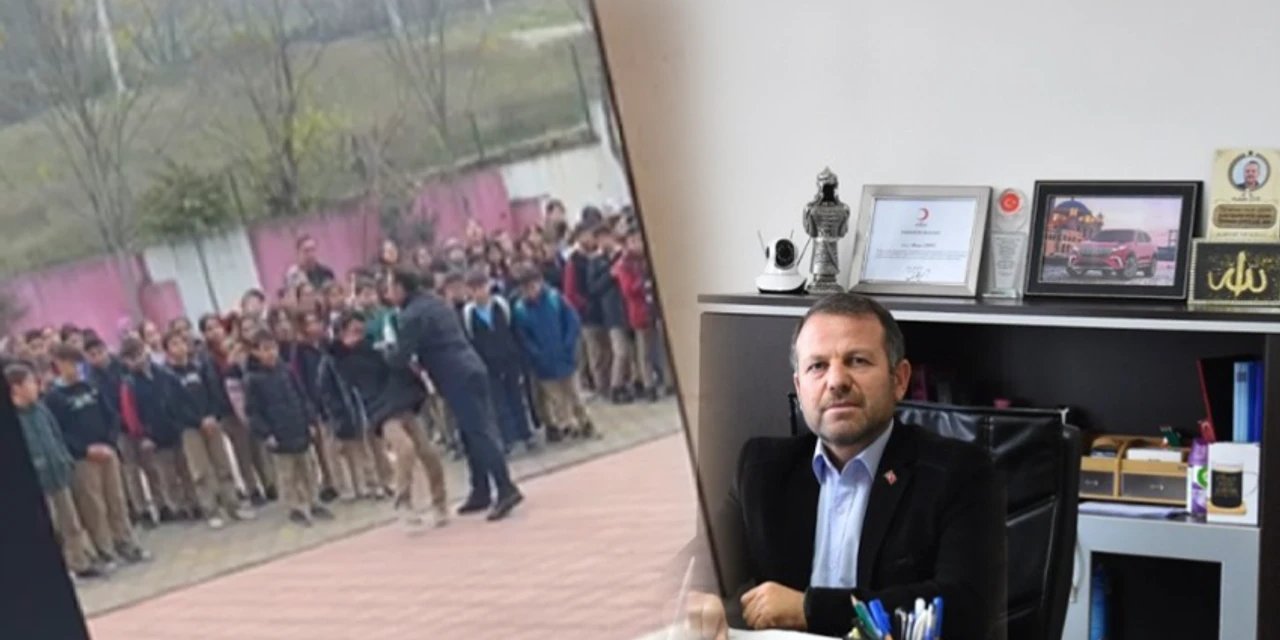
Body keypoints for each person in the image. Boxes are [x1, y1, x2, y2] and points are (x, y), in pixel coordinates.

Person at [685, 293, 1004, 639]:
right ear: (799, 388)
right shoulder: (762, 470)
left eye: (857, 361)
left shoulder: (959, 473)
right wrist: (697, 596)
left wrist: (809, 609)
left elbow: (964, 608)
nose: (836, 381)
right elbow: (692, 570)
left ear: (899, 379)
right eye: (817, 366)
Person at [386, 268, 523, 521]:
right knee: (470, 432)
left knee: (479, 432)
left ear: (401, 287)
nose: (388, 293)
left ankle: (505, 487)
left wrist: (384, 352)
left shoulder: (411, 315)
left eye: (391, 287)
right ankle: (480, 489)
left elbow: (400, 356)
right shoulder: (436, 302)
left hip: (455, 375)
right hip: (470, 367)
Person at [44, 345, 151, 565]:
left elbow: (111, 416)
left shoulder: (91, 387)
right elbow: (59, 433)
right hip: (83, 459)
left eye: (77, 364)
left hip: (107, 451)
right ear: (58, 365)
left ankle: (126, 543)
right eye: (68, 364)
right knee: (94, 507)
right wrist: (85, 450)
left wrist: (109, 443)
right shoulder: (54, 398)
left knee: (116, 500)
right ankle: (105, 550)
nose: (74, 369)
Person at [8, 363, 110, 580]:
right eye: (30, 382)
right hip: (38, 482)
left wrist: (64, 459)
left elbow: (56, 435)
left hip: (58, 475)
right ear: (16, 388)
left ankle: (80, 563)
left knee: (71, 524)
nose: (36, 386)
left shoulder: (41, 409)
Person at [163, 330, 256, 529]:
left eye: (181, 343)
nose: (179, 348)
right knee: (201, 471)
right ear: (167, 351)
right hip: (190, 428)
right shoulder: (168, 377)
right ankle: (211, 510)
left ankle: (233, 505)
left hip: (212, 422)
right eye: (174, 344)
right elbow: (174, 406)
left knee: (222, 464)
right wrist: (198, 421)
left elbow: (213, 391)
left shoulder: (199, 367)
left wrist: (212, 415)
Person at [244, 329, 335, 527]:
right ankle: (294, 507)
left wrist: (310, 421)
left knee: (308, 468)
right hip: (277, 434)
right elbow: (253, 412)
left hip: (298, 427)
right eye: (265, 349)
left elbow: (301, 397)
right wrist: (266, 433)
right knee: (287, 474)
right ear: (255, 352)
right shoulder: (253, 380)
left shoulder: (286, 370)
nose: (271, 353)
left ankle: (313, 501)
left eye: (273, 348)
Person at [512, 267, 595, 442]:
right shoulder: (520, 310)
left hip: (565, 356)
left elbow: (571, 320)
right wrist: (536, 354)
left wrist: (569, 343)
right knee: (557, 399)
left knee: (575, 393)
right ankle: (568, 425)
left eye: (533, 286)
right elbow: (524, 338)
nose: (531, 291)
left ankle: (585, 422)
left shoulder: (554, 298)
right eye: (526, 288)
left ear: (540, 283)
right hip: (544, 364)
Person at [119, 337, 197, 522]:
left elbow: (179, 398)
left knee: (185, 469)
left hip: (175, 429)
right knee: (167, 475)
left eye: (139, 354)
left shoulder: (164, 373)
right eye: (132, 358)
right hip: (154, 436)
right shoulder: (129, 384)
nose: (138, 360)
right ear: (126, 362)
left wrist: (181, 421)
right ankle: (178, 507)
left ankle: (194, 503)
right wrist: (142, 436)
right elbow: (131, 414)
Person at [461, 268, 536, 452]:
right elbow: (470, 341)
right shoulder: (468, 313)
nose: (479, 292)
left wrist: (519, 359)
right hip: (487, 365)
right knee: (498, 402)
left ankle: (526, 434)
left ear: (489, 286)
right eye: (474, 289)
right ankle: (507, 439)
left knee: (517, 398)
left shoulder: (501, 305)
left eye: (482, 287)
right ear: (469, 291)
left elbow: (513, 332)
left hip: (509, 360)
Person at [612, 227, 663, 402]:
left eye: (639, 240)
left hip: (653, 308)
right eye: (633, 241)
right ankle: (648, 385)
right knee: (644, 352)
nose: (637, 244)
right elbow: (627, 289)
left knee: (655, 348)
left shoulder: (646, 259)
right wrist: (643, 283)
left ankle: (661, 380)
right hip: (639, 311)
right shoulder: (624, 264)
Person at [587, 226, 633, 404]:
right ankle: (615, 386)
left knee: (630, 352)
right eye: (601, 238)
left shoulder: (621, 256)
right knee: (620, 351)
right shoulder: (595, 262)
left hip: (629, 308)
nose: (605, 241)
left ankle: (628, 384)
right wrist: (610, 275)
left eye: (607, 237)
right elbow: (593, 288)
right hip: (611, 311)